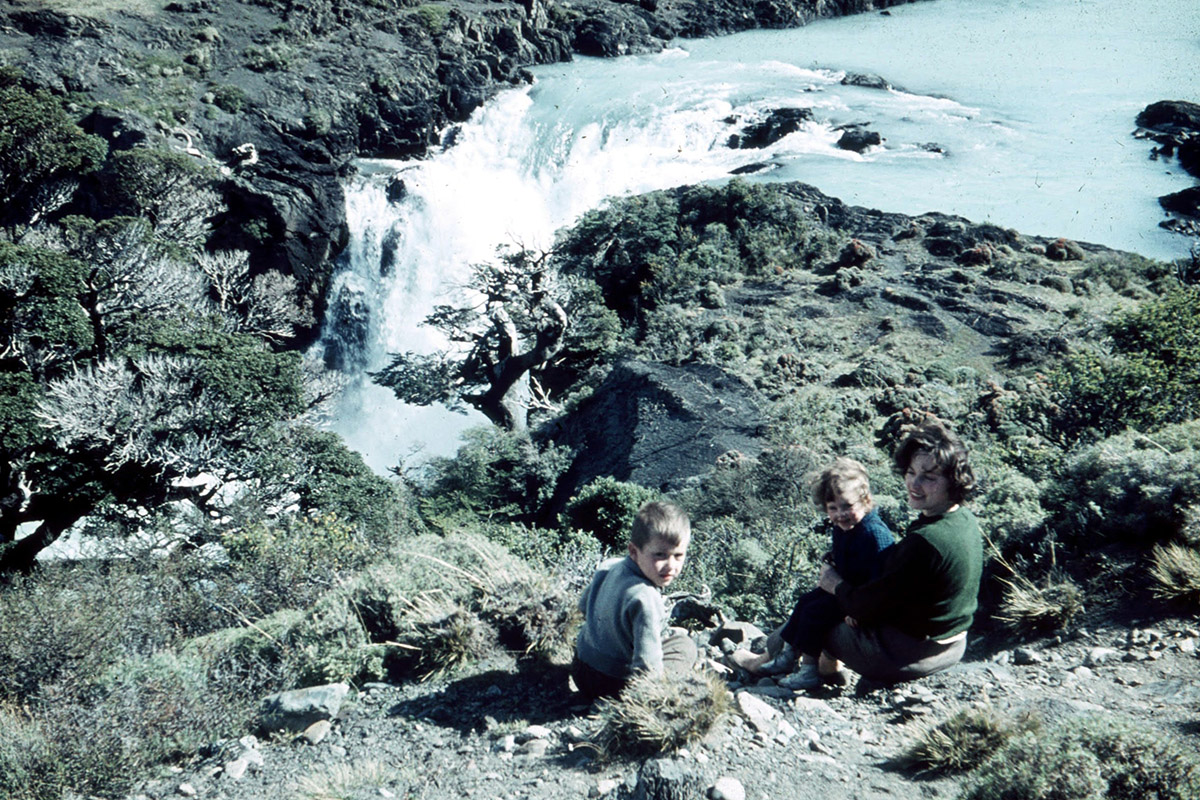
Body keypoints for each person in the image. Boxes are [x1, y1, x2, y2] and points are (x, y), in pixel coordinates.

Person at [817, 419, 983, 684]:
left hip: (913, 654)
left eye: (928, 477)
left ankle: (814, 674)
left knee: (818, 619)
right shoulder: (964, 519)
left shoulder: (926, 541)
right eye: (910, 472)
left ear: (953, 481)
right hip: (953, 644)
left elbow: (865, 607)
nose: (914, 484)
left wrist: (835, 584)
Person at [729, 458, 894, 688]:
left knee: (815, 613)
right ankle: (787, 656)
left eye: (847, 506)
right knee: (806, 602)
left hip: (860, 601)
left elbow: (883, 582)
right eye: (833, 508)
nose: (840, 514)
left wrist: (860, 612)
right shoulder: (845, 529)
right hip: (846, 591)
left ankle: (808, 670)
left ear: (865, 501)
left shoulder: (874, 534)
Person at [571, 500, 699, 701]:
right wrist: (649, 696)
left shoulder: (609, 566)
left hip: (580, 668)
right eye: (660, 555)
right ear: (633, 551)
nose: (671, 565)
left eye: (678, 555)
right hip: (611, 685)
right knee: (685, 646)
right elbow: (647, 664)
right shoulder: (645, 597)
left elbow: (583, 607)